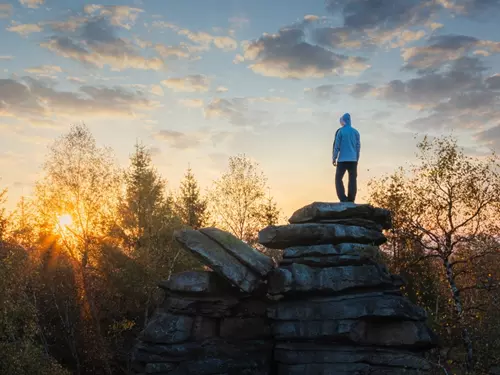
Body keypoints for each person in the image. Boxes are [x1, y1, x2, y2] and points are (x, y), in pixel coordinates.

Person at [332, 113, 360, 203]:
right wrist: (357, 159)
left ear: (343, 121)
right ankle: (351, 199)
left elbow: (336, 146)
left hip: (342, 160)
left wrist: (334, 157)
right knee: (352, 179)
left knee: (338, 179)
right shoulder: (356, 132)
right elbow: (358, 147)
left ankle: (343, 198)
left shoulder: (340, 132)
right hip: (353, 160)